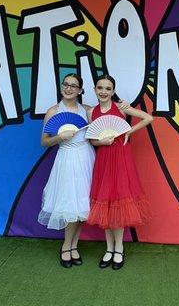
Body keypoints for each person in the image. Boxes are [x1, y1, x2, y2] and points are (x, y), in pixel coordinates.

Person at [38, 73, 129, 268]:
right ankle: (66, 246)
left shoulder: (87, 110)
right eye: (66, 84)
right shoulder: (53, 111)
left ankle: (74, 247)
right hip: (66, 160)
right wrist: (60, 137)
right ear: (62, 87)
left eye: (74, 85)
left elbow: (108, 119)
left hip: (87, 159)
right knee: (70, 204)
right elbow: (44, 141)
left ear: (80, 90)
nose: (69, 88)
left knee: (82, 206)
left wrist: (123, 108)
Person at [87, 74, 153, 270]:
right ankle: (109, 249)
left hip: (121, 157)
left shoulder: (122, 108)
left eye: (108, 88)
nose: (104, 92)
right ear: (95, 90)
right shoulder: (92, 112)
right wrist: (101, 142)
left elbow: (148, 118)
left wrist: (128, 132)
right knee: (105, 204)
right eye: (100, 88)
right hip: (103, 159)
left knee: (119, 201)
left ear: (113, 91)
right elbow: (91, 139)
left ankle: (119, 248)